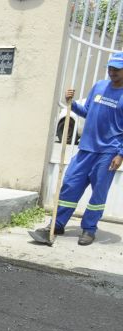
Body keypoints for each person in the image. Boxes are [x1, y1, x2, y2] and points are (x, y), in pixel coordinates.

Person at [35, 52, 123, 246]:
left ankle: (89, 229)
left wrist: (120, 154)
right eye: (110, 68)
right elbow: (87, 112)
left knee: (98, 194)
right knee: (69, 185)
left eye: (117, 69)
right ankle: (57, 224)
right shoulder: (99, 87)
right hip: (86, 149)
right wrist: (72, 104)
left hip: (108, 152)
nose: (112, 72)